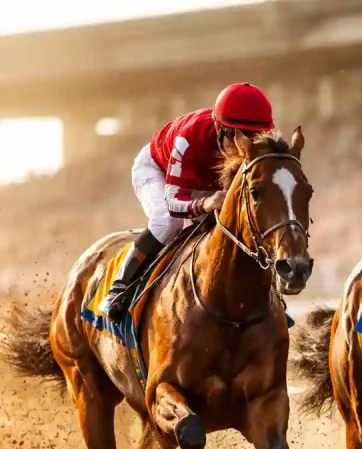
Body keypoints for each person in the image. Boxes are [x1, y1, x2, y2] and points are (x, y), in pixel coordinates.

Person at [99, 82, 276, 321]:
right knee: (167, 222)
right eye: (234, 135)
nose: (241, 146)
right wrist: (205, 203)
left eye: (252, 137)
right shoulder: (190, 137)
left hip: (205, 185)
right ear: (219, 128)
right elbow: (173, 203)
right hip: (159, 171)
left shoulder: (257, 148)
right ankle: (119, 288)